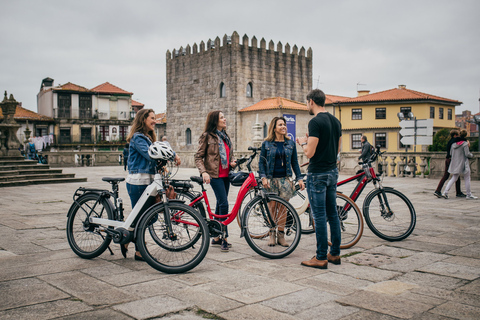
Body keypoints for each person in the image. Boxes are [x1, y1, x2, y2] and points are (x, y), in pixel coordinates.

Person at [124, 108, 181, 260]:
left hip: (148, 182)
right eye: (152, 118)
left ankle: (128, 236)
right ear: (143, 119)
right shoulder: (137, 138)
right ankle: (138, 250)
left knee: (150, 216)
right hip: (138, 182)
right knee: (142, 217)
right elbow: (151, 153)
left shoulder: (148, 137)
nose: (155, 121)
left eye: (155, 118)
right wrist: (174, 155)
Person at [296, 89, 342, 269]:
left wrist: (303, 143)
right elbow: (337, 148)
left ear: (311, 101)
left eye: (307, 102)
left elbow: (310, 153)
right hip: (332, 172)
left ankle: (321, 256)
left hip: (317, 174)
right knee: (333, 214)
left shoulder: (315, 122)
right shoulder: (335, 121)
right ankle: (335, 253)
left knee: (319, 216)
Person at [259, 116, 305, 247]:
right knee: (272, 207)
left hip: (285, 180)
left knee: (283, 208)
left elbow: (295, 163)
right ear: (274, 128)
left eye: (284, 125)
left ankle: (281, 235)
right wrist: (263, 177)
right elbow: (261, 163)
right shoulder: (266, 143)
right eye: (280, 125)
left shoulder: (290, 144)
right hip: (271, 180)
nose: (283, 127)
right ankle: (271, 234)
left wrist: (299, 178)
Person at [195, 111, 236, 252]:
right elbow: (198, 156)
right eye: (222, 117)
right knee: (224, 204)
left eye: (225, 116)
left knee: (220, 203)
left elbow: (228, 154)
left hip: (226, 174)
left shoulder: (225, 136)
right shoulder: (207, 136)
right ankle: (224, 236)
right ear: (215, 120)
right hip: (214, 175)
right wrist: (204, 172)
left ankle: (217, 237)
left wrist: (232, 162)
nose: (225, 119)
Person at [442, 130, 477, 200]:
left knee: (454, 178)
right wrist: (472, 155)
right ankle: (469, 194)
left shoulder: (453, 144)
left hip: (455, 163)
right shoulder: (465, 144)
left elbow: (451, 154)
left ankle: (445, 192)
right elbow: (467, 154)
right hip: (464, 163)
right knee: (467, 178)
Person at [434, 129, 466, 198]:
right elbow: (462, 139)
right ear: (455, 135)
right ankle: (457, 192)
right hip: (451, 160)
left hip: (447, 159)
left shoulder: (450, 141)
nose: (458, 137)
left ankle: (438, 190)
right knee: (454, 175)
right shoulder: (453, 141)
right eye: (457, 135)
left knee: (449, 175)